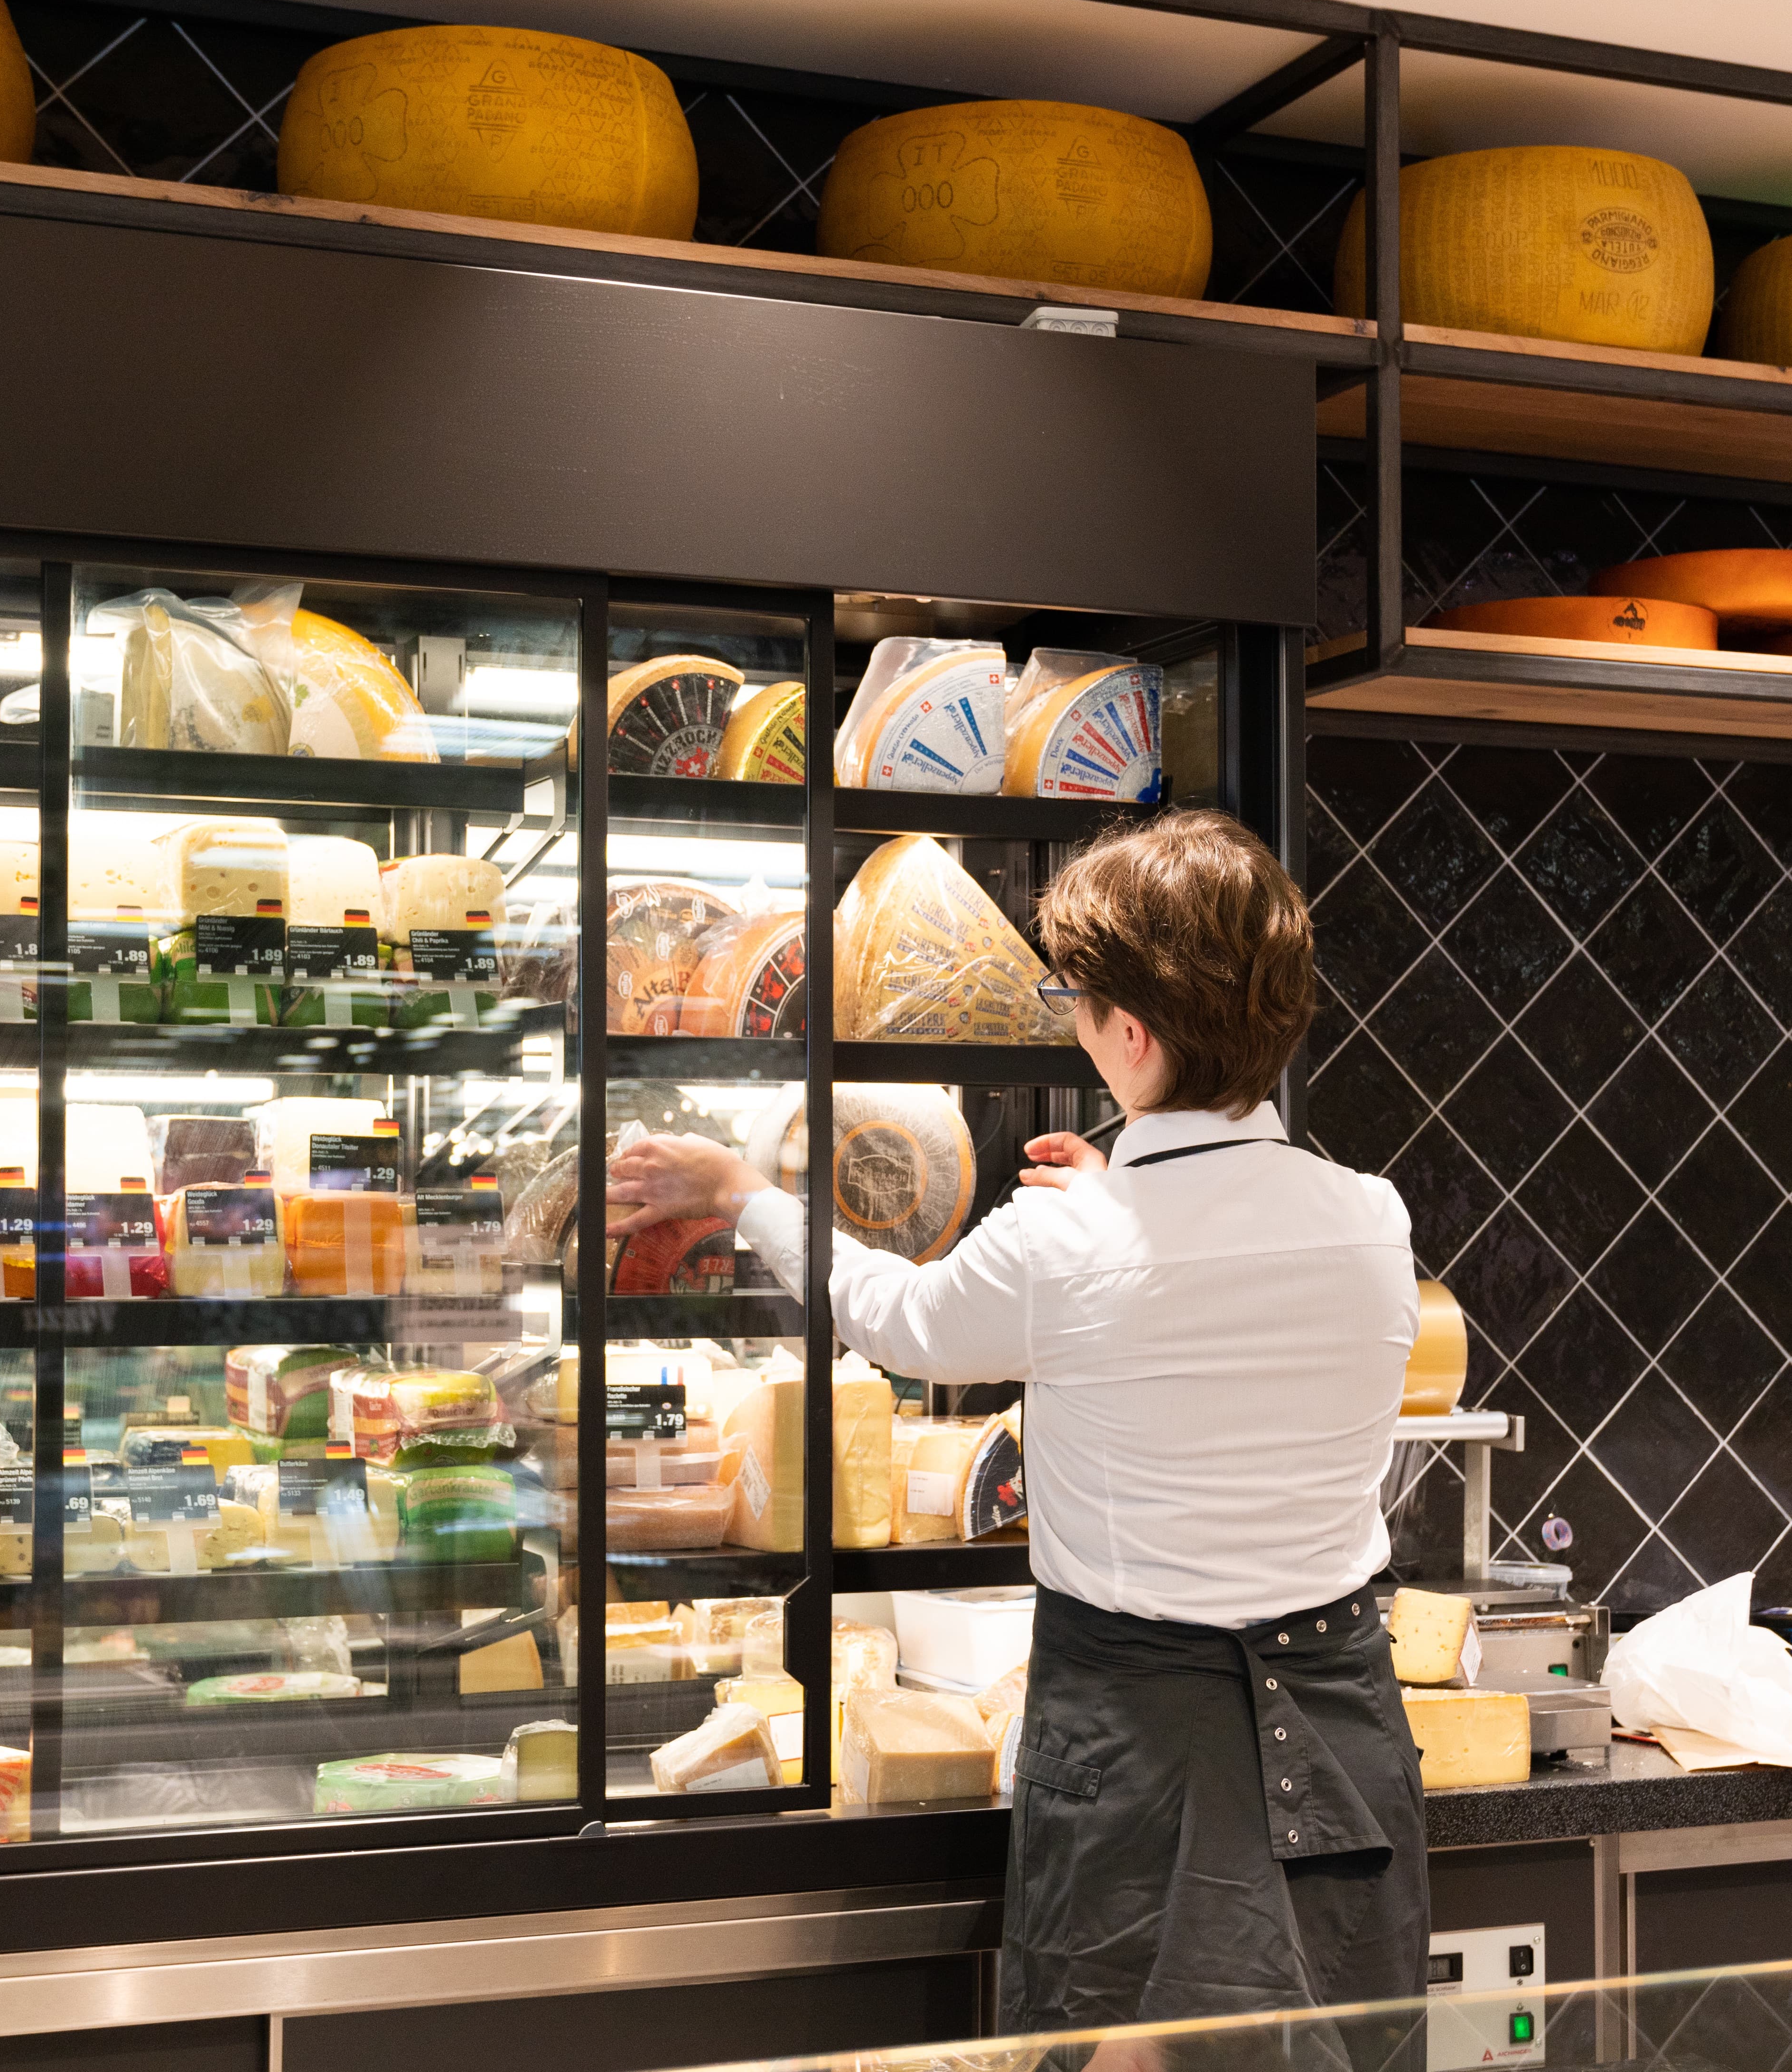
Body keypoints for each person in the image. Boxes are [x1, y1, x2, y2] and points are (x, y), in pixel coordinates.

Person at [606, 807, 1426, 2033]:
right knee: (1332, 2045)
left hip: (1143, 1727)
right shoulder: (1370, 1214)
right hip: (1343, 1709)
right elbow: (1198, 1276)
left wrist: (745, 1193)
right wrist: (1113, 1207)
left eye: (1080, 1006)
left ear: (1131, 1033)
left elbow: (899, 1322)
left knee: (1128, 2049)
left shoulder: (1066, 1236)